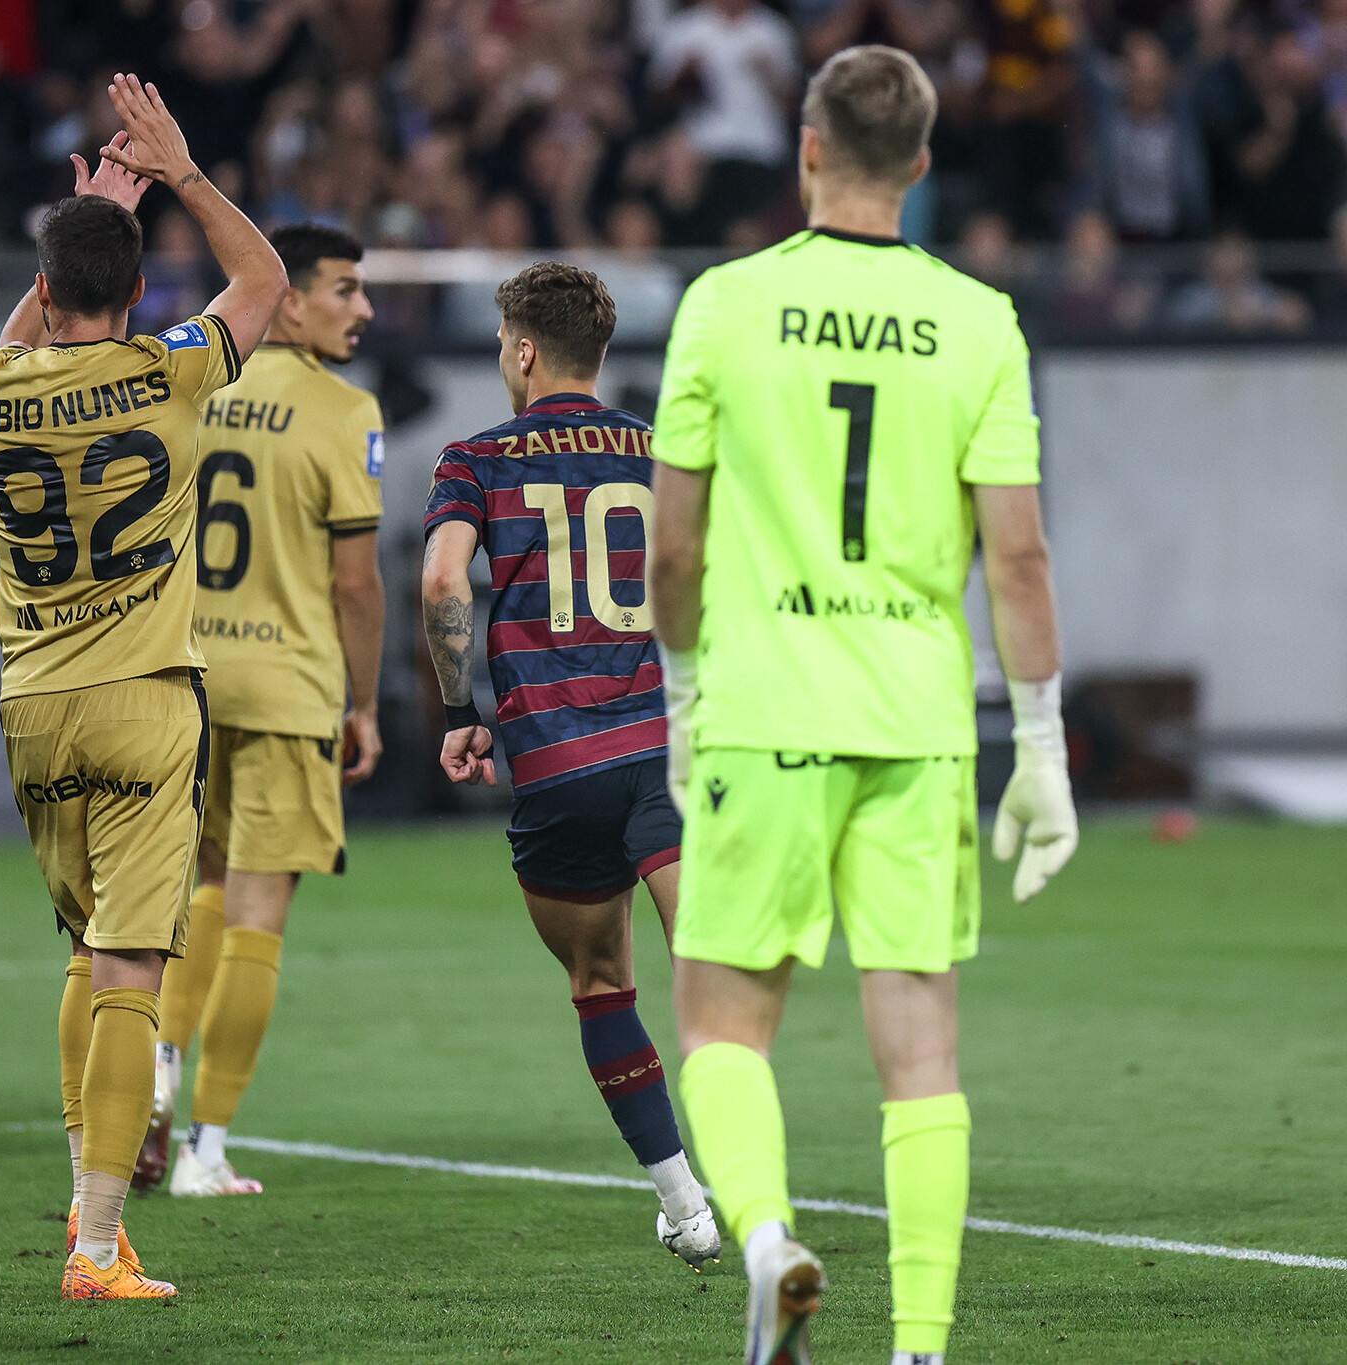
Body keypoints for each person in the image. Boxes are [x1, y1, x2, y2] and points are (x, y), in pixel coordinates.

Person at [646, 46, 1078, 1365]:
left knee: (722, 1025)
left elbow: (672, 547)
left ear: (809, 147)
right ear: (924, 164)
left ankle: (769, 1245)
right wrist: (1042, 746)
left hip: (763, 704)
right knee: (922, 1053)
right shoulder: (980, 321)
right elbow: (1017, 556)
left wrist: (679, 691)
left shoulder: (725, 304)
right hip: (917, 724)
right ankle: (921, 1348)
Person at [0, 77, 284, 1300]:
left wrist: (86, 222)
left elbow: (20, 337)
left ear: (45, 295)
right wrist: (179, 175)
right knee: (130, 973)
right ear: (140, 293)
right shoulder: (170, 370)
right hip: (145, 696)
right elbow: (262, 284)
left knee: (86, 954)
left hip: (33, 709)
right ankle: (97, 1248)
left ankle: (84, 1202)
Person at [419, 262, 722, 1272]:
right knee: (712, 972)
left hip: (555, 762)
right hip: (665, 749)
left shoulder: (474, 458)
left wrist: (459, 710)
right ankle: (756, 1184)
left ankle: (684, 1205)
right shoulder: (660, 447)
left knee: (601, 981)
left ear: (521, 349)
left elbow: (441, 579)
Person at [135, 222, 387, 1197]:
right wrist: (365, 703)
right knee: (256, 915)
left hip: (187, 678)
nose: (363, 309)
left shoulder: (194, 387)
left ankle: (157, 1072)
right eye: (344, 289)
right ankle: (204, 1148)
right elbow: (356, 585)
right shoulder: (343, 410)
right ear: (286, 298)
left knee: (200, 888)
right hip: (286, 686)